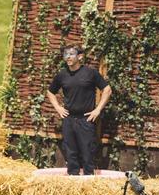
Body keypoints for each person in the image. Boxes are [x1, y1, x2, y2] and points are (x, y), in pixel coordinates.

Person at [47, 45, 112, 175]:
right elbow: (50, 92)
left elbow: (107, 90)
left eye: (71, 54)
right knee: (70, 153)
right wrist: (58, 108)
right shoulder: (62, 75)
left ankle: (88, 183)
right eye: (66, 54)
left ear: (80, 56)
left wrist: (97, 110)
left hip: (86, 119)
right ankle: (73, 182)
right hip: (68, 119)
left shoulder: (90, 73)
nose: (68, 57)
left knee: (87, 154)